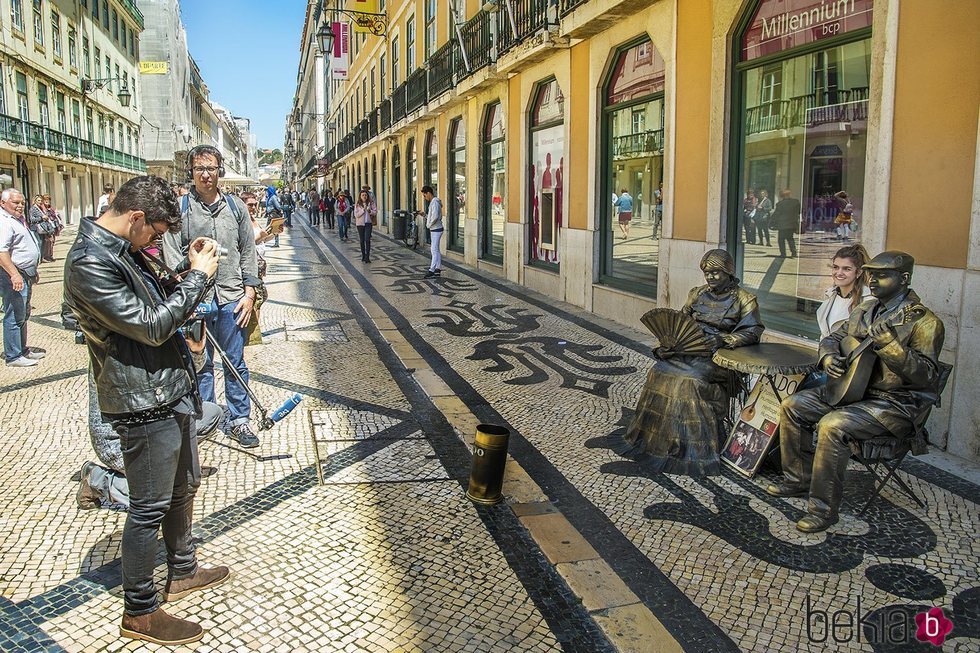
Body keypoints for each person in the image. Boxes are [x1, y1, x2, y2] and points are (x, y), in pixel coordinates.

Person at [63, 175, 230, 645]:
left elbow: (155, 297)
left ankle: (181, 570)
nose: (157, 240)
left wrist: (179, 270)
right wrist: (197, 277)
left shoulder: (123, 250)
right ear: (135, 218)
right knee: (148, 507)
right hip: (141, 399)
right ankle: (139, 611)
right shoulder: (88, 263)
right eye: (155, 233)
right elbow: (152, 325)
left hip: (167, 388)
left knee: (184, 486)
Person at [768, 251, 946, 533]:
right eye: (871, 274)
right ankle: (797, 479)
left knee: (832, 424)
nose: (873, 280)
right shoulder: (865, 309)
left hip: (893, 405)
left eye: (882, 275)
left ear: (904, 279)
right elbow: (833, 337)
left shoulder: (924, 322)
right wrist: (828, 357)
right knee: (793, 404)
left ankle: (823, 510)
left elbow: (927, 377)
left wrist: (892, 347)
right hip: (853, 391)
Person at [624, 249, 764, 475]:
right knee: (659, 371)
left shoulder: (745, 300)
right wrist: (671, 345)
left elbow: (753, 331)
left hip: (719, 357)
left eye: (716, 272)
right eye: (707, 273)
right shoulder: (696, 294)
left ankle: (694, 446)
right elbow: (681, 322)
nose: (711, 277)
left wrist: (724, 339)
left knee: (691, 381)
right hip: (690, 350)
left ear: (728, 272)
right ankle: (659, 439)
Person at [162, 144, 262, 449]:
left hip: (232, 297)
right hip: (197, 301)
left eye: (211, 168)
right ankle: (204, 418)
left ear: (220, 171)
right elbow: (169, 254)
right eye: (199, 169)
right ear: (191, 173)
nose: (206, 174)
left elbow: (248, 251)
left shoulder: (235, 207)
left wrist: (249, 293)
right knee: (199, 363)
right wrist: (186, 274)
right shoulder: (180, 209)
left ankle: (238, 420)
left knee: (235, 362)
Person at [0, 189, 44, 368]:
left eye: (22, 203)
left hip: (25, 272)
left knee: (23, 313)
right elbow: (2, 252)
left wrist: (32, 270)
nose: (20, 206)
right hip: (13, 274)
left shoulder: (17, 220)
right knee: (14, 315)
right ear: (3, 203)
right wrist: (14, 274)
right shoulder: (4, 222)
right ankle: (13, 355)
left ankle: (22, 349)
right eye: (15, 202)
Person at [243, 192, 277, 346]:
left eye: (254, 204)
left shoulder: (253, 220)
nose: (253, 207)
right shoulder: (242, 221)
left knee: (260, 297)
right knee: (257, 297)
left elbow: (262, 239)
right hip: (251, 264)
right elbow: (245, 244)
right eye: (250, 204)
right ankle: (251, 335)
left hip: (259, 264)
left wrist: (274, 233)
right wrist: (261, 236)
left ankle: (254, 332)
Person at [816, 244, 871, 339]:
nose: (839, 273)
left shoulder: (869, 301)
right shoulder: (831, 294)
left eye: (846, 269)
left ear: (858, 272)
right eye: (835, 267)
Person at [768, 188, 800, 258]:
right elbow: (799, 212)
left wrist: (771, 222)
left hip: (782, 224)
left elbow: (776, 214)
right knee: (790, 238)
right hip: (792, 224)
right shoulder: (796, 202)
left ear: (782, 196)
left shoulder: (780, 204)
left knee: (781, 239)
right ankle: (794, 252)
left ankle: (783, 254)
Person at [420, 186, 443, 279]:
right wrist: (424, 215)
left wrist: (428, 224)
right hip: (435, 229)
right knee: (436, 249)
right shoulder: (433, 203)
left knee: (433, 249)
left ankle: (432, 270)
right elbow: (432, 216)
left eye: (425, 196)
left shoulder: (435, 203)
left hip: (436, 229)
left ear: (428, 193)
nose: (425, 198)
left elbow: (435, 216)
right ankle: (438, 268)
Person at [353, 189, 377, 263]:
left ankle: (367, 257)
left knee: (367, 240)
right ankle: (363, 255)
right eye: (363, 195)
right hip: (360, 224)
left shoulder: (371, 203)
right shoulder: (357, 204)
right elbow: (356, 215)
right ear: (360, 196)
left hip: (368, 223)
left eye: (366, 195)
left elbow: (375, 212)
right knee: (362, 240)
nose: (364, 196)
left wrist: (370, 211)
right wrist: (363, 209)